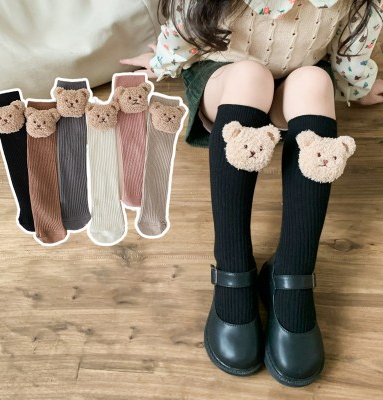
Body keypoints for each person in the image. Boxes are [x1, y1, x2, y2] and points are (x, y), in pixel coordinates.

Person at [120, 0, 383, 387]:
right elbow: (184, 30)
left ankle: (292, 272)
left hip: (294, 83)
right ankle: (232, 265)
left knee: (315, 81)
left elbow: (351, 47)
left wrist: (358, 86)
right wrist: (160, 63)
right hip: (226, 81)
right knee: (250, 75)